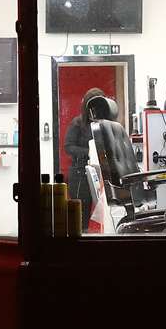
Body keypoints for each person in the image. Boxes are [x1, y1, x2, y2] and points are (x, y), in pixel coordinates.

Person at [63, 88, 107, 229]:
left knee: (103, 213)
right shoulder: (78, 123)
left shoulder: (104, 124)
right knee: (81, 216)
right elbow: (68, 147)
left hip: (100, 173)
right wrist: (90, 152)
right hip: (80, 173)